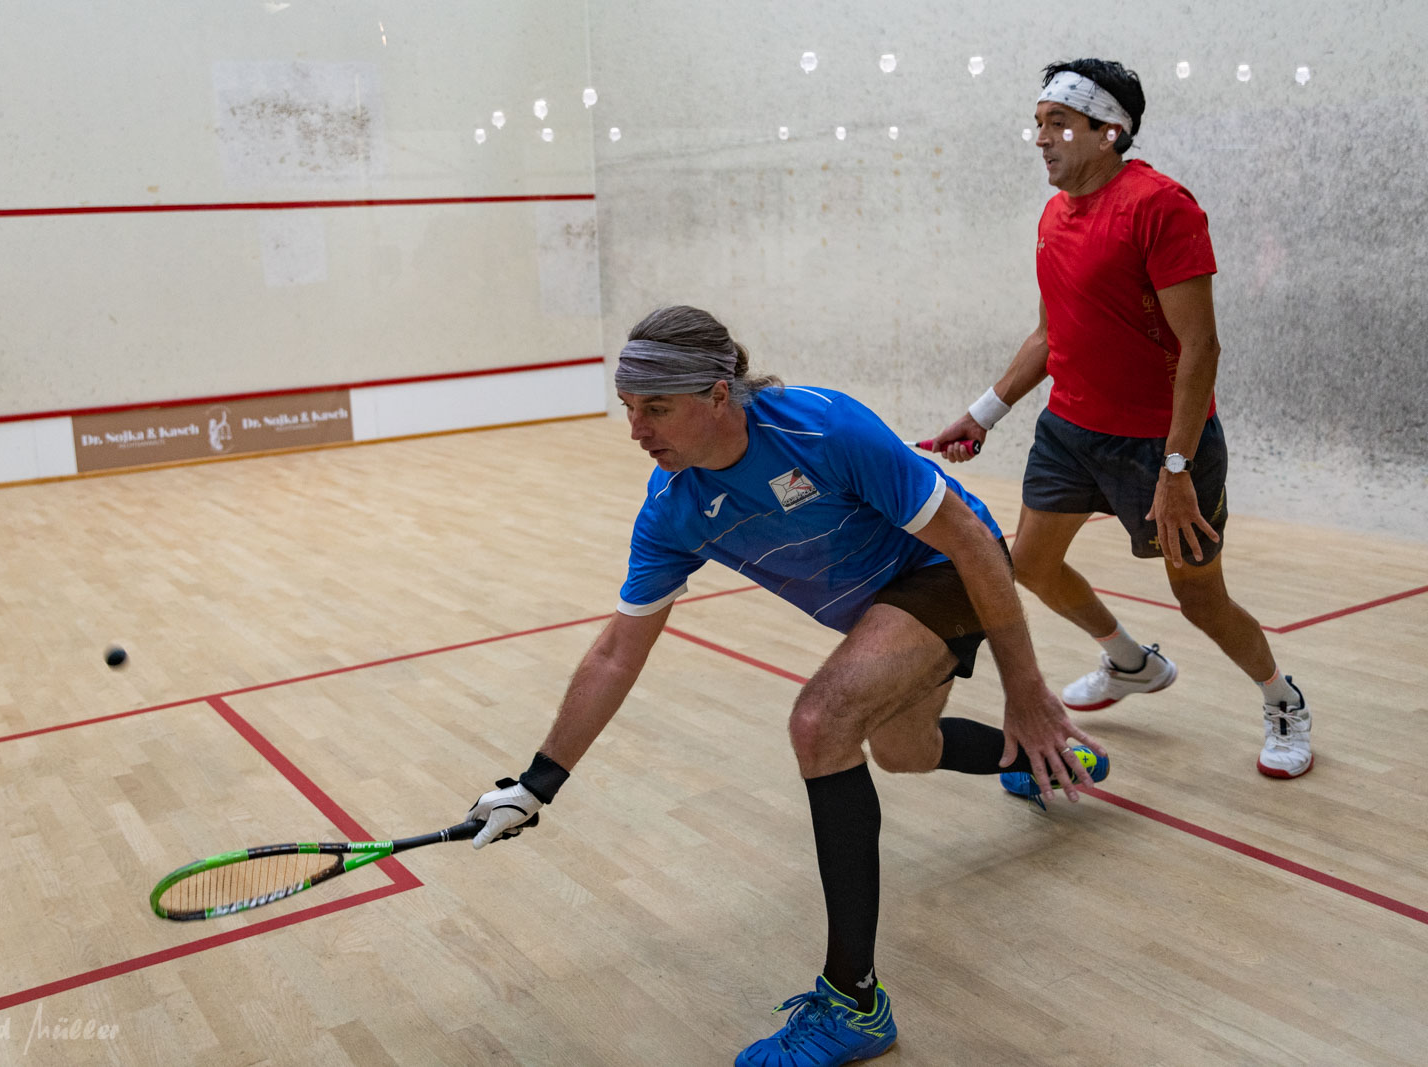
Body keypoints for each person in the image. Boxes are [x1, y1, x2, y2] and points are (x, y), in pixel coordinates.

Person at [464, 305, 1106, 1067]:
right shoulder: (672, 511)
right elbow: (615, 653)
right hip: (882, 611)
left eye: (656, 408)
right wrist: (537, 782)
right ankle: (1043, 758)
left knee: (820, 722)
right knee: (904, 749)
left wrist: (1026, 692)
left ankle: (854, 1002)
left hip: (948, 569)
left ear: (717, 394)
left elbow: (970, 540)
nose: (636, 429)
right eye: (628, 407)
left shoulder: (822, 429)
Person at [929, 58, 1312, 779]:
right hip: (1070, 432)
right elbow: (1050, 335)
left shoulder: (1161, 207)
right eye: (1037, 123)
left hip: (1161, 445)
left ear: (1109, 131)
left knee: (1199, 597)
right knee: (1030, 564)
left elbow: (1201, 346)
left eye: (1058, 123)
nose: (1041, 138)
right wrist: (984, 414)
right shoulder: (1053, 215)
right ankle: (1131, 661)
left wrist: (1177, 467)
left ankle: (1282, 699)